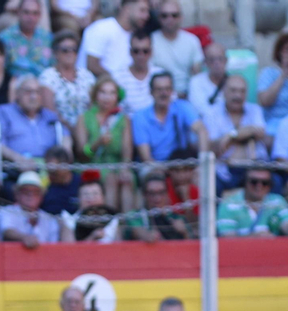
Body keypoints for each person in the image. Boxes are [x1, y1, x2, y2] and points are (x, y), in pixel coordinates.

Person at [202, 71, 266, 189]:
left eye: (242, 91)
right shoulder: (211, 113)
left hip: (256, 169)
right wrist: (246, 133)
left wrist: (231, 136)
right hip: (224, 172)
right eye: (233, 90)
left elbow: (260, 132)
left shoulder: (255, 109)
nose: (238, 96)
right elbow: (215, 147)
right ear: (224, 92)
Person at [74, 75, 127, 204]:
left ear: (117, 96)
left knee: (128, 179)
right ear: (95, 95)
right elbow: (82, 155)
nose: (107, 97)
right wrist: (98, 143)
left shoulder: (123, 119)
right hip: (91, 165)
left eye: (111, 93)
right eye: (102, 92)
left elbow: (127, 153)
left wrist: (124, 169)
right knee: (110, 178)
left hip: (116, 165)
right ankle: (108, 220)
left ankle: (129, 221)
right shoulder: (84, 118)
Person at [131, 69, 202, 162]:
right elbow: (146, 158)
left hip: (180, 166)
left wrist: (202, 161)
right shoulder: (140, 117)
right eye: (159, 89)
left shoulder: (183, 107)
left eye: (167, 89)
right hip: (153, 167)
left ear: (172, 91)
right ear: (151, 92)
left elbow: (201, 130)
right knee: (155, 176)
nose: (164, 93)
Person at [0, 73, 61, 168]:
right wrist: (18, 159)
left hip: (50, 170)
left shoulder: (50, 116)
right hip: (16, 168)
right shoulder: (4, 112)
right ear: (17, 93)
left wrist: (62, 157)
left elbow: (65, 137)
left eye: (37, 92)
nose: (34, 96)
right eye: (28, 92)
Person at [215, 165, 288, 237]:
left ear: (270, 185)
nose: (259, 186)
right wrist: (254, 238)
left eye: (265, 183)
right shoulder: (229, 203)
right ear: (245, 183)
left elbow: (287, 224)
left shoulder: (277, 201)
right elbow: (227, 238)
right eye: (254, 182)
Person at [38, 28, 92, 132]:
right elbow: (50, 112)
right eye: (65, 50)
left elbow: (93, 108)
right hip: (58, 129)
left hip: (86, 130)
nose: (70, 53)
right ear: (55, 53)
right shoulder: (47, 77)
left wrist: (83, 131)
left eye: (74, 50)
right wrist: (73, 131)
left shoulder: (87, 76)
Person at [79, 0, 145, 83]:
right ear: (127, 9)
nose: (146, 16)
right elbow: (92, 65)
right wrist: (116, 81)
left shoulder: (135, 35)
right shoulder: (101, 28)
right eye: (142, 10)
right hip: (97, 88)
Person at [0, 169, 60, 246]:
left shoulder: (49, 219)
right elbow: (7, 231)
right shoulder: (6, 211)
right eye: (25, 191)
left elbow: (53, 246)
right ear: (17, 195)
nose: (30, 195)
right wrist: (24, 238)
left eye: (35, 192)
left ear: (41, 197)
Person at [119, 169, 185, 240]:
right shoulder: (134, 217)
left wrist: (184, 233)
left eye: (161, 192)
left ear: (167, 194)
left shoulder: (177, 218)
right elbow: (134, 229)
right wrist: (143, 234)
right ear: (144, 195)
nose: (157, 199)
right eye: (152, 193)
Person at [148, 0, 197, 96]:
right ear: (159, 18)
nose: (170, 19)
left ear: (181, 17)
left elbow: (196, 75)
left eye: (174, 15)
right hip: (159, 96)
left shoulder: (192, 41)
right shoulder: (150, 41)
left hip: (187, 95)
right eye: (164, 15)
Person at [0, 0, 51, 78]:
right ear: (18, 13)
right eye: (26, 12)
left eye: (35, 13)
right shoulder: (4, 38)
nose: (31, 17)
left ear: (40, 15)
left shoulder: (48, 39)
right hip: (16, 85)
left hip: (43, 85)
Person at [114, 27, 158, 116]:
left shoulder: (160, 75)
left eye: (145, 51)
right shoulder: (117, 77)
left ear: (151, 52)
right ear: (130, 52)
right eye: (136, 51)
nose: (140, 55)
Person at [186, 38, 224, 117]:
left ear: (226, 61)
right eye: (212, 59)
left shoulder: (233, 82)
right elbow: (199, 110)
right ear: (205, 62)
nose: (216, 63)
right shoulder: (196, 82)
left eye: (220, 59)